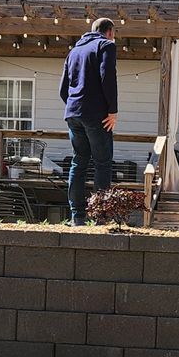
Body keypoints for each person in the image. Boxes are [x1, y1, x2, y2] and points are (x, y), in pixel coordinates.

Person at [59, 17, 118, 225]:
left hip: (73, 113)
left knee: (79, 162)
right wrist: (112, 110)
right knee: (102, 163)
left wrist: (76, 107)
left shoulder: (73, 51)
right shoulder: (106, 46)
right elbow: (107, 77)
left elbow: (63, 89)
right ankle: (100, 216)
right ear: (109, 32)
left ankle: (77, 217)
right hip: (96, 114)